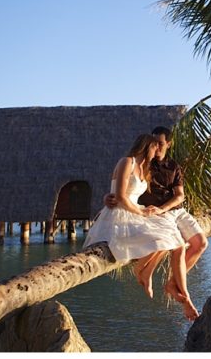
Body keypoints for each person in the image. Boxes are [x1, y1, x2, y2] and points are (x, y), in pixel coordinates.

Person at [83, 133, 199, 320]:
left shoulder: (143, 168)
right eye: (155, 147)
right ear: (147, 146)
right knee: (166, 237)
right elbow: (120, 197)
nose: (157, 151)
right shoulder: (126, 162)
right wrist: (141, 212)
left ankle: (155, 278)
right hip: (121, 215)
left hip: (136, 212)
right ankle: (145, 273)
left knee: (174, 240)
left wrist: (144, 212)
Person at [105, 126, 208, 309]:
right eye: (153, 144)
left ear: (168, 144)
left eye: (160, 144)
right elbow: (122, 187)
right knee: (174, 242)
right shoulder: (144, 163)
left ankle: (172, 282)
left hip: (173, 210)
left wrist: (163, 208)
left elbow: (180, 195)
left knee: (201, 243)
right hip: (152, 213)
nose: (156, 148)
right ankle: (185, 296)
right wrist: (108, 197)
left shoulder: (173, 166)